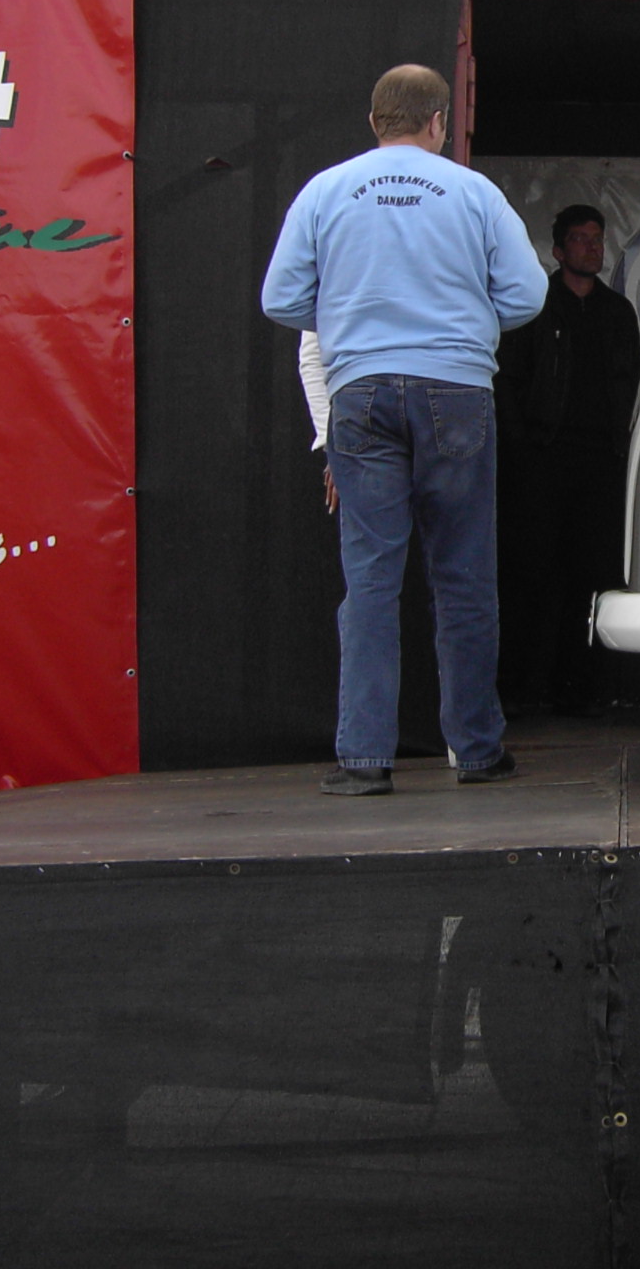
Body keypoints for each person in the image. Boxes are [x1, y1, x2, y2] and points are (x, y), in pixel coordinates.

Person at [261, 64, 547, 796]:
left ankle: (363, 760)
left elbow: (280, 299)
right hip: (457, 390)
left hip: (359, 393)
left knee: (370, 581)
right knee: (463, 579)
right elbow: (526, 294)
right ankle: (477, 752)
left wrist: (352, 316)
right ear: (439, 122)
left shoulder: (325, 190)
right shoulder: (474, 192)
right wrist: (463, 321)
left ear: (374, 122)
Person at [495, 203, 640, 714]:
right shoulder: (535, 307)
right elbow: (507, 382)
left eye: (598, 239)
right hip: (544, 463)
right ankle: (521, 689)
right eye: (581, 239)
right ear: (558, 250)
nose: (592, 247)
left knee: (592, 578)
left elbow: (634, 382)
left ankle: (579, 688)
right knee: (532, 576)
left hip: (601, 465)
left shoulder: (618, 312)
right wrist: (523, 451)